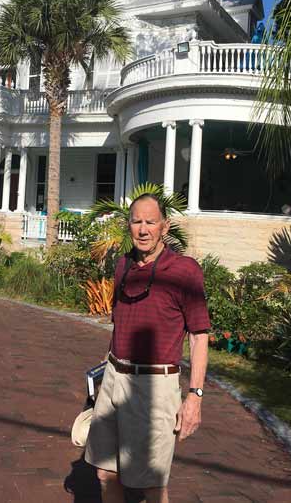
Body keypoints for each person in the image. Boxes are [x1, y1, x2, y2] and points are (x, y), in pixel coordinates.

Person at [84, 193, 210, 503]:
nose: (143, 229)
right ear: (128, 225)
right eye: (136, 221)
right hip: (115, 378)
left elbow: (199, 335)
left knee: (151, 485)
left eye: (150, 222)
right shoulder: (123, 264)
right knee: (105, 473)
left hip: (156, 385)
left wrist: (194, 397)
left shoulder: (185, 271)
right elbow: (120, 324)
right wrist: (103, 376)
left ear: (164, 227)